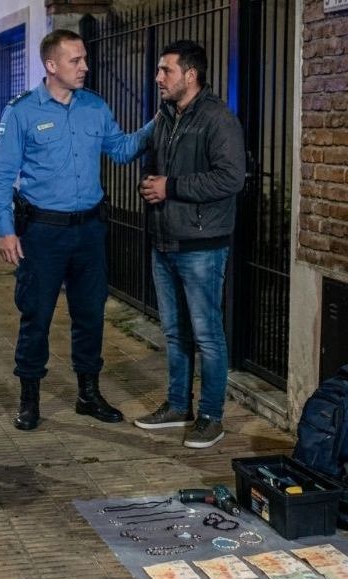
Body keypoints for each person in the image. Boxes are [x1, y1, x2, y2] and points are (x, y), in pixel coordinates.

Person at [0, 29, 154, 431]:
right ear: (51, 65)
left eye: (84, 59)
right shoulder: (22, 111)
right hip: (42, 233)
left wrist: (158, 122)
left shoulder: (94, 107)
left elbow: (121, 150)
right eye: (75, 60)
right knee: (36, 316)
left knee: (90, 314)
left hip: (89, 231)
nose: (84, 67)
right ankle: (29, 399)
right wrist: (6, 230)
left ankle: (88, 394)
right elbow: (1, 176)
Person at [134, 40, 245, 449]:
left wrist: (171, 187)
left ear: (191, 75)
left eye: (166, 70)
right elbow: (153, 164)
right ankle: (178, 406)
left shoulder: (218, 119)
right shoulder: (165, 117)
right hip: (164, 240)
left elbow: (231, 178)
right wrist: (150, 184)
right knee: (174, 332)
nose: (158, 77)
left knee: (207, 334)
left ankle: (211, 417)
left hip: (202, 245)